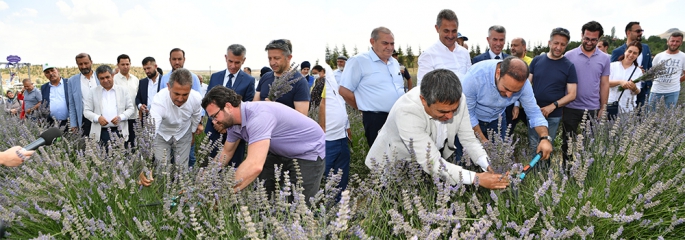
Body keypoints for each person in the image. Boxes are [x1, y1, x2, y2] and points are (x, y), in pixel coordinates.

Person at [366, 69, 509, 189]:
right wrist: (476, 178)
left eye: (454, 110)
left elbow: (469, 139)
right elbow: (431, 162)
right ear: (423, 100)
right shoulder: (407, 110)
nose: (450, 116)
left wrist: (487, 164)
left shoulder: (460, 99)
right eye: (443, 112)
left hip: (425, 164)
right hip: (393, 165)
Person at [202, 86, 325, 204]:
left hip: (309, 152)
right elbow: (226, 153)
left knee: (299, 206)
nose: (214, 121)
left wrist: (223, 195)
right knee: (262, 196)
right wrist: (203, 179)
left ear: (228, 106)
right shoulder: (234, 125)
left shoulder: (258, 117)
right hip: (280, 152)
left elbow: (254, 165)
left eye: (215, 116)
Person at [460, 57, 553, 162]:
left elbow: (534, 112)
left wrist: (544, 138)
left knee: (499, 160)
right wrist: (483, 140)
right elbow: (468, 114)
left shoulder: (524, 84)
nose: (509, 96)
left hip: (498, 119)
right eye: (506, 89)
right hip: (472, 120)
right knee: (467, 159)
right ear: (498, 73)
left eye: (515, 91)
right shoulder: (474, 78)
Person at [339, 27, 404, 147]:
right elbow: (344, 90)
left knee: (401, 156)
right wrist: (363, 108)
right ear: (372, 42)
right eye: (385, 43)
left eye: (392, 43)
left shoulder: (394, 63)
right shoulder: (358, 61)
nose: (389, 47)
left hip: (399, 116)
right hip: (376, 119)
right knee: (381, 158)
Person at [562, 21, 610, 170]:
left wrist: (603, 106)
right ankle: (567, 171)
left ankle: (584, 171)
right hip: (570, 107)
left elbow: (604, 84)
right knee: (567, 142)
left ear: (599, 39)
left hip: (592, 108)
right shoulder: (569, 55)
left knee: (588, 144)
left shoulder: (605, 58)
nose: (589, 42)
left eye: (594, 40)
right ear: (582, 35)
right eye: (587, 38)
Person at [527, 28, 577, 153]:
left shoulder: (569, 66)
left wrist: (553, 106)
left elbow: (572, 94)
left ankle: (544, 173)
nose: (558, 47)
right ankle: (532, 172)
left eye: (562, 44)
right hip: (534, 112)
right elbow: (526, 85)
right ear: (549, 43)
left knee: (547, 147)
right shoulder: (537, 60)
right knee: (533, 145)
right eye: (556, 43)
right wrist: (532, 106)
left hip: (553, 115)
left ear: (566, 46)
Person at [205, 44, 256, 167]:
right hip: (214, 130)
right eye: (230, 61)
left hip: (236, 134)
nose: (233, 66)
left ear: (243, 60)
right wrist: (216, 122)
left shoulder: (249, 81)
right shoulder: (215, 77)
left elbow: (247, 108)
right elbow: (207, 103)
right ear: (225, 58)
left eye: (237, 63)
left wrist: (227, 126)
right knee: (211, 167)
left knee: (232, 170)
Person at [149, 68, 203, 169]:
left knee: (182, 169)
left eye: (185, 94)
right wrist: (144, 163)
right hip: (162, 134)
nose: (180, 99)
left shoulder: (196, 98)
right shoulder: (159, 100)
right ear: (169, 87)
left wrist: (192, 134)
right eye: (177, 94)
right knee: (162, 168)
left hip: (183, 133)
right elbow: (152, 128)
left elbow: (196, 117)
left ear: (190, 89)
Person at [158, 48, 203, 167]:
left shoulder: (193, 78)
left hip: (185, 126)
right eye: (174, 59)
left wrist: (199, 123)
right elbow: (162, 101)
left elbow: (198, 104)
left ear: (184, 60)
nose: (177, 62)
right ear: (170, 60)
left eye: (179, 59)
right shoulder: (164, 78)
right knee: (166, 160)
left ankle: (187, 182)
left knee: (188, 158)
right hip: (167, 125)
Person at [254, 39, 310, 115]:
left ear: (289, 58)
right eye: (270, 58)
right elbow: (254, 106)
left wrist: (275, 109)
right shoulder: (265, 77)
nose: (272, 63)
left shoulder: (300, 82)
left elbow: (302, 117)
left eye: (276, 58)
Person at [83, 65, 135, 145]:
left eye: (107, 77)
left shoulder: (123, 90)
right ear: (98, 79)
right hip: (100, 133)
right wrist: (98, 118)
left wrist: (121, 117)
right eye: (102, 78)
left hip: (120, 132)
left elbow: (131, 108)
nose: (105, 80)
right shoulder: (93, 92)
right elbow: (86, 111)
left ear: (112, 76)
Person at [418, 9, 472, 85]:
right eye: (446, 31)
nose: (450, 35)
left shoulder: (465, 53)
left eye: (454, 31)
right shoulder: (428, 55)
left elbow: (470, 81)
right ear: (437, 29)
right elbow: (423, 89)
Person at [323, 64, 351, 193]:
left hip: (341, 138)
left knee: (341, 174)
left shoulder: (334, 84)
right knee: (325, 174)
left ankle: (340, 202)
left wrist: (347, 128)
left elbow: (341, 106)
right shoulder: (317, 87)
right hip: (326, 140)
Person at [611, 22, 653, 108]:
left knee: (638, 117)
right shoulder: (617, 53)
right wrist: (621, 82)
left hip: (641, 90)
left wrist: (646, 81)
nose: (640, 33)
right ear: (628, 33)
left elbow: (650, 67)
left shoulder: (646, 48)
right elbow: (606, 79)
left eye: (641, 31)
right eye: (638, 31)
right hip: (615, 99)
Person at [649, 32, 685, 108]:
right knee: (650, 112)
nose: (674, 43)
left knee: (669, 115)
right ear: (668, 42)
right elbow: (651, 72)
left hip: (673, 91)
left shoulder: (683, 56)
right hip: (656, 90)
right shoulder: (659, 56)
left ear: (681, 43)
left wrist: (677, 81)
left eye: (677, 41)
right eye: (672, 41)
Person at [608, 41, 643, 117]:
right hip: (611, 104)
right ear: (625, 51)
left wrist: (634, 88)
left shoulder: (638, 71)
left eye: (635, 53)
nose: (631, 55)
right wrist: (620, 82)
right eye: (629, 51)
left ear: (638, 55)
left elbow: (638, 91)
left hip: (628, 108)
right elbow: (604, 83)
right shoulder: (612, 66)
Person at [68, 53, 100, 136]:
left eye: (86, 63)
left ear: (91, 62)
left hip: (102, 117)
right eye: (80, 64)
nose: (83, 66)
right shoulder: (72, 81)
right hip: (84, 119)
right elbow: (72, 104)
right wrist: (73, 124)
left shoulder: (100, 77)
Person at [113, 54, 139, 148]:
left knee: (133, 144)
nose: (125, 66)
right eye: (123, 64)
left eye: (127, 64)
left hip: (134, 117)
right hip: (120, 118)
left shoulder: (135, 80)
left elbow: (137, 97)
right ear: (118, 65)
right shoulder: (114, 80)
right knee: (121, 144)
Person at [40, 64, 70, 128]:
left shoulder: (69, 83)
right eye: (47, 72)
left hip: (69, 122)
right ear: (45, 75)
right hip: (52, 123)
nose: (50, 73)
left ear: (57, 70)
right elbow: (44, 103)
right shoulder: (44, 88)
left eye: (52, 70)